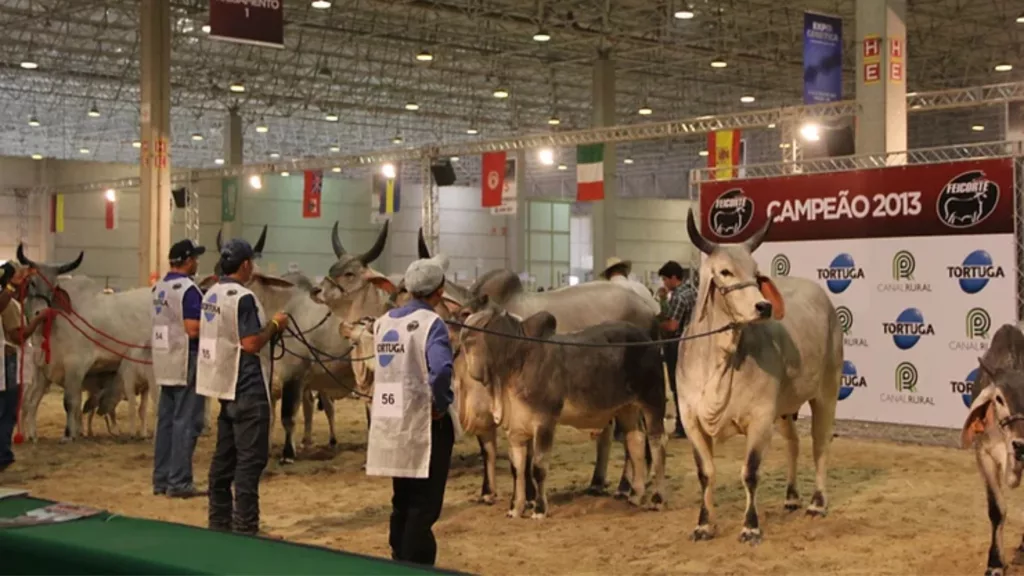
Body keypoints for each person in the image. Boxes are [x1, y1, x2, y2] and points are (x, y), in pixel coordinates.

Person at [366, 256, 456, 566]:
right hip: (424, 424)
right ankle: (414, 564)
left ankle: (397, 555)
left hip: (392, 421)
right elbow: (442, 369)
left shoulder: (384, 321)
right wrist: (441, 404)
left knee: (401, 498)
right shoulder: (433, 325)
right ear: (440, 292)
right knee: (424, 503)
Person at [197, 238, 288, 535]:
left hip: (224, 386)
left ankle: (219, 523)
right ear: (246, 264)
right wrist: (275, 325)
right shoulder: (243, 297)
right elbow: (250, 343)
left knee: (223, 463)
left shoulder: (210, 294)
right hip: (248, 387)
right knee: (249, 465)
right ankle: (246, 528)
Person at [152, 239, 207, 498]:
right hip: (187, 358)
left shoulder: (159, 288)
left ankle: (161, 478)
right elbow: (193, 328)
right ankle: (180, 482)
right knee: (187, 421)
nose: (197, 262)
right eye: (194, 258)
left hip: (165, 360)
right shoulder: (188, 289)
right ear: (187, 261)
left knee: (166, 422)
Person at [0, 263, 44, 473]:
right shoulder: (8, 304)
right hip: (7, 362)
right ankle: (3, 454)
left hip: (6, 361)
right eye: (18, 277)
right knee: (7, 410)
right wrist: (38, 321)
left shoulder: (11, 302)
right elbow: (17, 336)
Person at [657, 260, 697, 439]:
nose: (664, 283)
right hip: (694, 345)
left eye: (665, 279)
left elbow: (672, 325)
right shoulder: (693, 291)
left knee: (677, 386)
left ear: (674, 278)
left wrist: (657, 324)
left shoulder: (680, 297)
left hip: (678, 345)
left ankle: (682, 425)